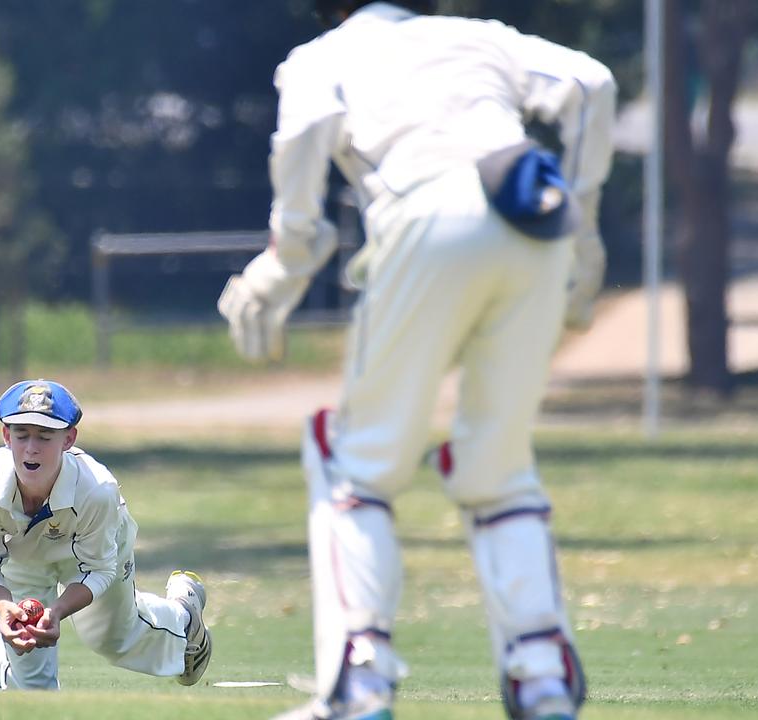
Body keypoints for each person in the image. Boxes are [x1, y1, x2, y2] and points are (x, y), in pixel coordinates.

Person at [217, 2, 617, 719]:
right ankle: (540, 679)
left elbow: (304, 155)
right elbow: (591, 86)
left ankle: (363, 678)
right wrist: (581, 234)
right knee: (497, 465)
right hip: (534, 211)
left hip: (427, 216)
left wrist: (276, 275)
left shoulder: (322, 59)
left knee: (351, 461)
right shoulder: (477, 36)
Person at [0, 379, 213, 691]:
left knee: (112, 638)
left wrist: (56, 612)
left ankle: (184, 619)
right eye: (21, 435)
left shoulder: (97, 490)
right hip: (25, 556)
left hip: (94, 549)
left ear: (68, 439)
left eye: (45, 437)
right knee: (32, 689)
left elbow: (99, 570)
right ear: (6, 436)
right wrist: (2, 608)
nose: (31, 448)